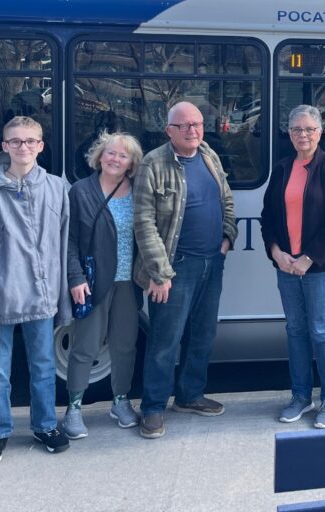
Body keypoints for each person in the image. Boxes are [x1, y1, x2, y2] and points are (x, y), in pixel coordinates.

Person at [0, 116, 71, 466]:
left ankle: (46, 425)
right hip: (1, 295)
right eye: (16, 141)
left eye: (31, 141)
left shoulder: (57, 188)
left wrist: (62, 293)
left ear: (41, 145)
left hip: (42, 295)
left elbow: (64, 244)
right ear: (4, 146)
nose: (23, 147)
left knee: (43, 365)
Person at [133, 101, 237, 439]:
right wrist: (159, 273)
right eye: (185, 126)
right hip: (174, 267)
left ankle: (190, 396)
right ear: (169, 131)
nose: (193, 130)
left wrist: (227, 237)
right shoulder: (154, 163)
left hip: (212, 261)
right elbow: (144, 222)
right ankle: (152, 408)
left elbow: (227, 200)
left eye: (197, 124)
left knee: (202, 335)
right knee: (165, 340)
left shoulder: (208, 154)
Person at [261, 105, 325, 429]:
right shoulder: (283, 168)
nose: (303, 135)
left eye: (310, 129)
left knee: (323, 331)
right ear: (289, 133)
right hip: (286, 267)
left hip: (320, 268)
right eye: (297, 129)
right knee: (295, 331)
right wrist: (277, 253)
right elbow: (267, 218)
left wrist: (308, 258)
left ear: (320, 132)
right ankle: (300, 397)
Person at [62, 131, 145, 439]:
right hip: (94, 282)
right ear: (99, 156)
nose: (115, 159)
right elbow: (69, 241)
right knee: (85, 346)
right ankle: (74, 408)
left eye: (123, 156)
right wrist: (75, 278)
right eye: (110, 153)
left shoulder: (139, 191)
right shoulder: (81, 191)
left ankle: (120, 401)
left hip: (129, 282)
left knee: (125, 346)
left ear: (132, 163)